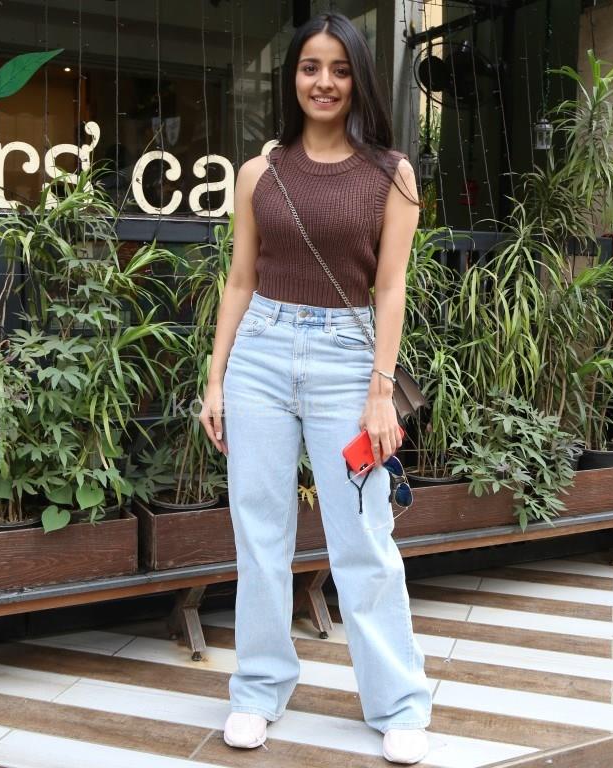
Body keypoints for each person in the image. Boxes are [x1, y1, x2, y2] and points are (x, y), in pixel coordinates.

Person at [199, 11, 432, 765]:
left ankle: (397, 703)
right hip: (260, 354)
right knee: (259, 534)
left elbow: (389, 288)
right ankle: (258, 691)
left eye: (338, 68)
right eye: (309, 67)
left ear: (358, 78)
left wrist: (379, 392)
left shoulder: (390, 173)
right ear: (291, 77)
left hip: (346, 359)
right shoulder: (258, 173)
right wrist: (215, 378)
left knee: (363, 536)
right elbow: (240, 280)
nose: (323, 82)